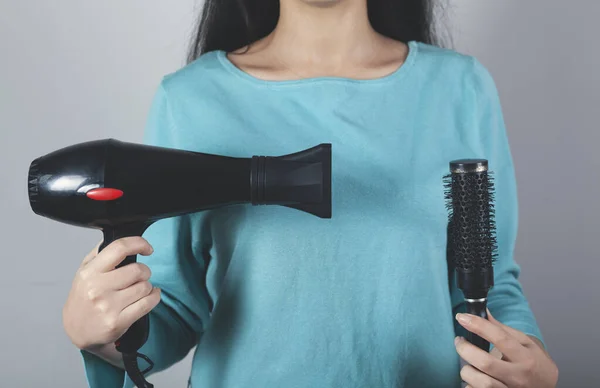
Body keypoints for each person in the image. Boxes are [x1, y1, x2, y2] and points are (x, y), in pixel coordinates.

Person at [62, 1, 559, 387]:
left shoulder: (459, 88)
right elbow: (173, 307)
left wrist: (529, 366)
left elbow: (490, 286)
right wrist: (102, 334)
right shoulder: (191, 100)